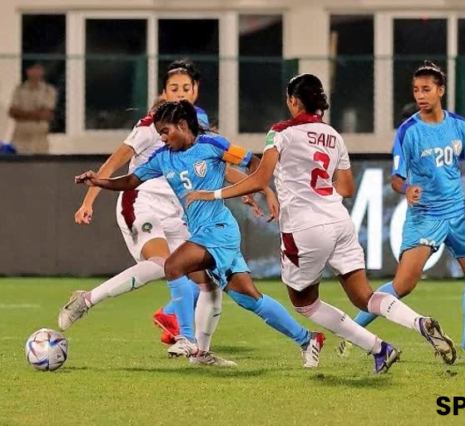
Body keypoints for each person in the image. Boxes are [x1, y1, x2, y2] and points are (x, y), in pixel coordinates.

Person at [183, 74, 457, 373]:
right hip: (339, 219)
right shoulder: (333, 135)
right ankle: (417, 323)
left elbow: (261, 178)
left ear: (294, 101)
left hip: (304, 227)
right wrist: (320, 194)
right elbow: (348, 189)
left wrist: (212, 193)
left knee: (304, 303)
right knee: (364, 296)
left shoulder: (280, 132)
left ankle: (378, 347)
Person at [74, 100, 325, 368]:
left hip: (219, 230)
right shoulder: (163, 157)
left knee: (173, 265)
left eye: (166, 131)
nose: (162, 137)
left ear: (183, 125)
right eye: (159, 132)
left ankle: (187, 339)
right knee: (249, 298)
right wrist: (98, 181)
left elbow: (254, 164)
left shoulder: (212, 145)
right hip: (203, 232)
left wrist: (258, 190)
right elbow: (131, 181)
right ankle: (307, 339)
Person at [58, 59, 265, 365]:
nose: (180, 93)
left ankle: (200, 353)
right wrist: (90, 199)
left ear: (195, 90)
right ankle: (86, 300)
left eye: (185, 88)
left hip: (179, 210)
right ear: (163, 92)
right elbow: (115, 164)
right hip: (141, 203)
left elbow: (214, 165)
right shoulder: (148, 127)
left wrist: (249, 188)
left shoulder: (197, 124)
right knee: (161, 263)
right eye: (173, 88)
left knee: (207, 284)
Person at [341, 61, 465, 359]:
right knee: (403, 285)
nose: (420, 95)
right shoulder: (408, 132)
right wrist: (407, 189)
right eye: (416, 90)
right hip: (425, 216)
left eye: (426, 89)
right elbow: (395, 179)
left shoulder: (459, 126)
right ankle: (353, 332)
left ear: (441, 91)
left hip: (458, 213)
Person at [8, 62, 57, 154]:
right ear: (27, 71)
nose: (35, 73)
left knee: (40, 166)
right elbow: (12, 112)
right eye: (32, 69)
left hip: (39, 137)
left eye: (38, 69)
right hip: (20, 138)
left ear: (42, 72)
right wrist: (36, 114)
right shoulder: (19, 90)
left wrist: (22, 115)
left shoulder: (48, 91)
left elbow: (46, 115)